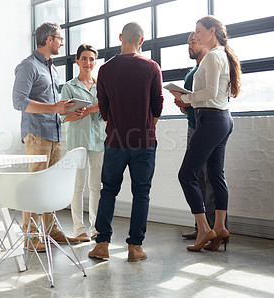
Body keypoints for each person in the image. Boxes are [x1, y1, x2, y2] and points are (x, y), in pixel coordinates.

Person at [88, 22, 164, 262]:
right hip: (143, 140)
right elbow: (157, 104)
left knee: (108, 190)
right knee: (141, 193)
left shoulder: (105, 70)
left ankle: (102, 245)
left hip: (115, 140)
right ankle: (135, 248)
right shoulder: (152, 67)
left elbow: (103, 106)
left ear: (120, 37)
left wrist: (117, 123)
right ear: (141, 41)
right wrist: (147, 127)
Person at [170, 16, 241, 252]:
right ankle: (219, 227)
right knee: (216, 175)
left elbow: (209, 91)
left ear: (212, 31)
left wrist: (186, 99)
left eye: (199, 31)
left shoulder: (212, 56)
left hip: (210, 119)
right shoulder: (222, 55)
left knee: (186, 174)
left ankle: (203, 228)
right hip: (222, 119)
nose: (195, 35)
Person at [12, 22, 83, 251]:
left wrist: (69, 111)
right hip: (37, 134)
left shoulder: (53, 68)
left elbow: (54, 106)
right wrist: (54, 107)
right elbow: (19, 102)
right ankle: (31, 238)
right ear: (49, 39)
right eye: (60, 38)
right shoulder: (28, 66)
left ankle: (51, 231)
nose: (63, 43)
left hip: (54, 133)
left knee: (51, 185)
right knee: (36, 185)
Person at [60, 44, 106, 242]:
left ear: (95, 62)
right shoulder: (69, 87)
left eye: (91, 59)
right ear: (77, 61)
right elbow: (63, 117)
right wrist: (77, 113)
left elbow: (106, 111)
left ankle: (96, 227)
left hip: (97, 140)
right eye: (84, 59)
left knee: (96, 186)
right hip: (77, 141)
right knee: (77, 186)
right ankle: (79, 229)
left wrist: (95, 110)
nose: (88, 63)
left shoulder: (101, 86)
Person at [176, 32, 215, 239]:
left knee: (210, 178)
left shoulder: (210, 67)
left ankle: (214, 228)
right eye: (188, 43)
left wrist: (188, 100)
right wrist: (182, 104)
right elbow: (189, 106)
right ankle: (201, 227)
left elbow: (212, 96)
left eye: (194, 42)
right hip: (192, 126)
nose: (190, 46)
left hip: (206, 127)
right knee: (196, 179)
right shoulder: (191, 73)